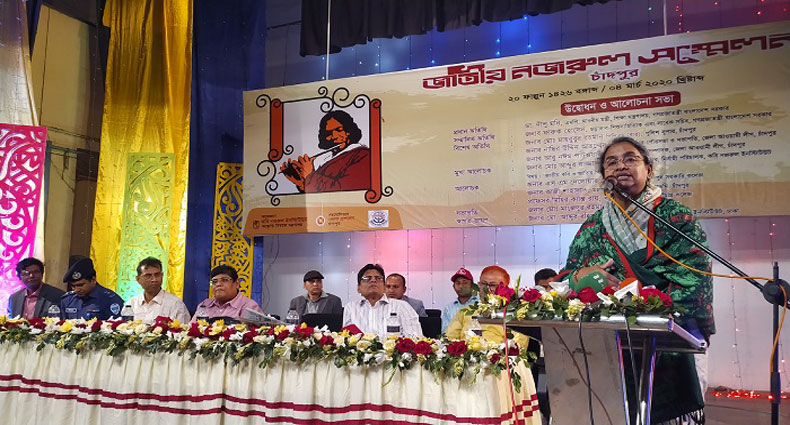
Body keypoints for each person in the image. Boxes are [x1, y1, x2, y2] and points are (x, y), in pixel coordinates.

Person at [556, 136, 714, 423]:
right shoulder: (593, 227)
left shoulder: (676, 218)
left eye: (630, 159)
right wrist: (580, 276)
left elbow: (695, 282)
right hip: (606, 349)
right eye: (612, 162)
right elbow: (567, 277)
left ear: (649, 169)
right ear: (604, 175)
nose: (620, 166)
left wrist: (636, 295)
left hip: (668, 344)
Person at [279, 109, 370, 193]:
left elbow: (344, 190)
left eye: (339, 130)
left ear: (349, 131)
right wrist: (301, 182)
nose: (334, 136)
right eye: (328, 133)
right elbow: (320, 194)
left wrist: (310, 174)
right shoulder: (327, 161)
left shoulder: (362, 154)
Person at [444, 266, 529, 347]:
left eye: (492, 285)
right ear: (478, 285)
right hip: (466, 355)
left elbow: (519, 346)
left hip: (499, 356)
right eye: (483, 284)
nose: (487, 289)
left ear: (505, 288)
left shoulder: (516, 315)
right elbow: (448, 340)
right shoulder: (464, 312)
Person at [343, 264, 422, 337]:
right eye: (367, 278)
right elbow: (346, 338)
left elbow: (415, 338)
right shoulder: (351, 308)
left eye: (378, 278)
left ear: (384, 287)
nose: (373, 280)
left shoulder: (402, 306)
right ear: (358, 288)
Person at [126, 257, 190, 323]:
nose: (154, 279)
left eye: (157, 275)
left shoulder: (175, 304)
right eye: (148, 276)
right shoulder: (131, 304)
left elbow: (183, 328)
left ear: (162, 276)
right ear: (138, 279)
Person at [59, 258, 125, 320]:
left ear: (93, 280)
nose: (76, 289)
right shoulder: (68, 300)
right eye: (73, 286)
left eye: (80, 285)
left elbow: (117, 325)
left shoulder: (110, 300)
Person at [193, 265, 262, 322]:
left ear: (237, 283)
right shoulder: (205, 305)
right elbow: (190, 330)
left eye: (224, 280)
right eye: (214, 281)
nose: (218, 284)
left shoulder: (249, 307)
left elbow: (253, 333)